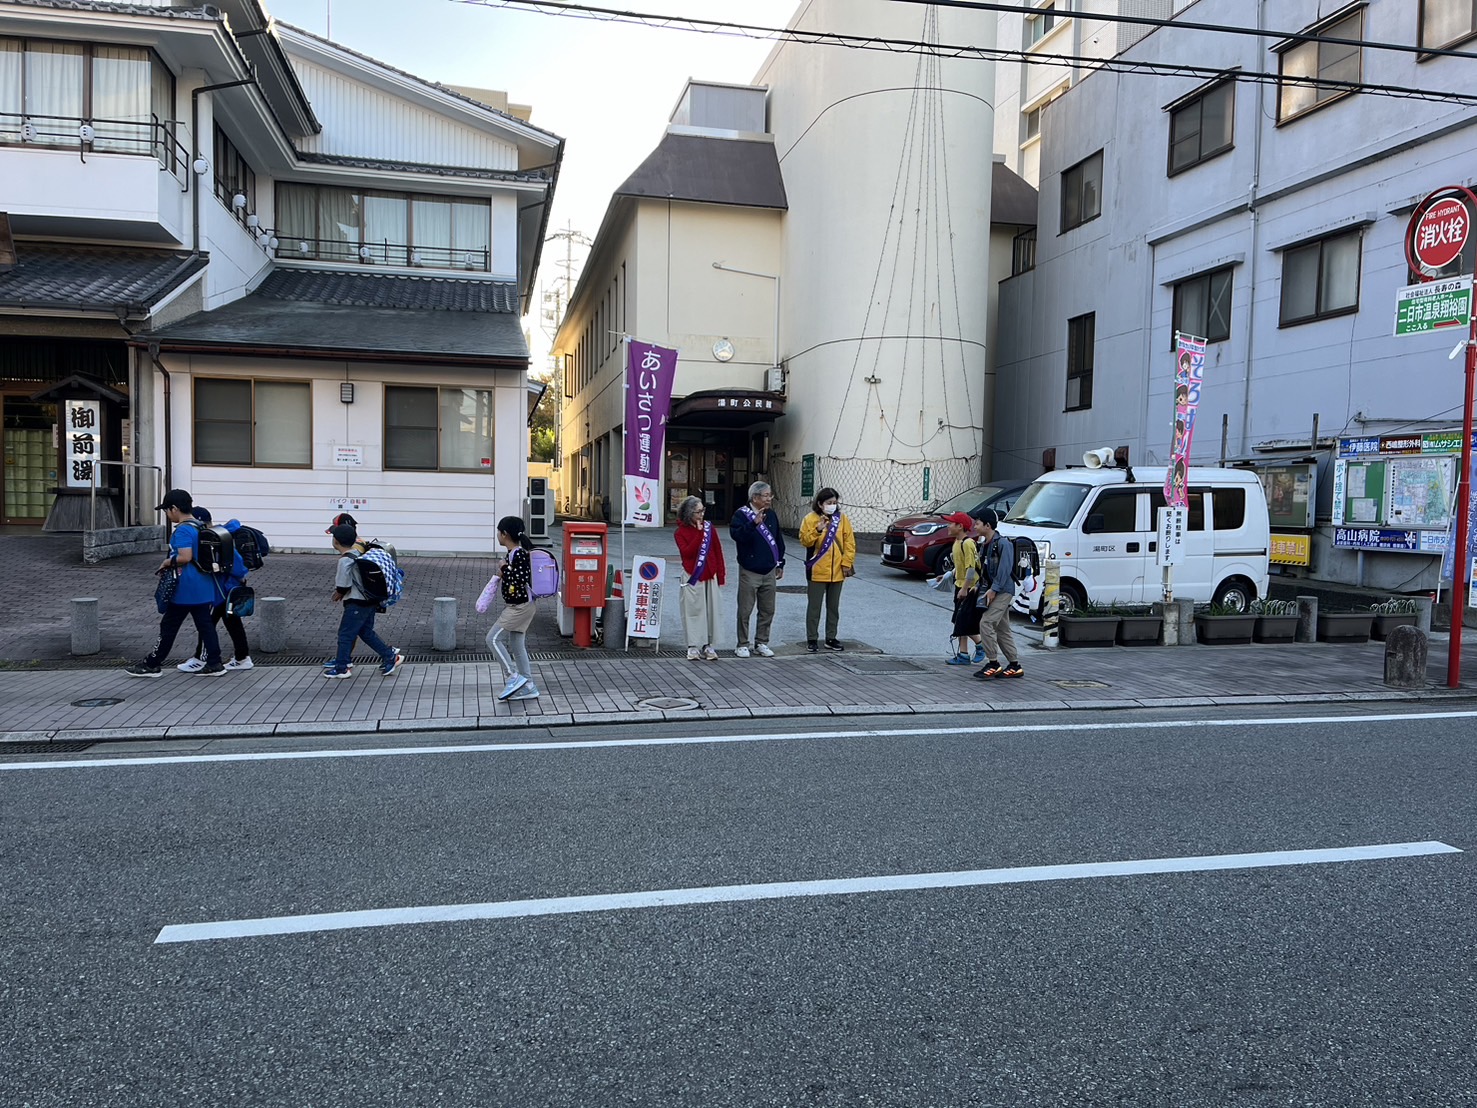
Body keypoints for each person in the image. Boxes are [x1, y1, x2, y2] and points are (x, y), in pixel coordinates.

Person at [125, 489, 226, 678]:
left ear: (174, 508)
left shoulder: (183, 530)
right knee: (206, 626)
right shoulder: (199, 526)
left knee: (169, 626)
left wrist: (166, 562)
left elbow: (185, 557)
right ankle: (215, 663)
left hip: (185, 587)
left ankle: (152, 664)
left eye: (166, 510)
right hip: (203, 585)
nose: (167, 514)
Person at [324, 522, 404, 679]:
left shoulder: (344, 560)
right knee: (365, 632)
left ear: (336, 541)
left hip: (356, 603)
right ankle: (390, 656)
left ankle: (342, 668)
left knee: (345, 634)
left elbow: (343, 585)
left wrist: (338, 594)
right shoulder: (359, 553)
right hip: (369, 600)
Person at [177, 506, 252, 672]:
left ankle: (201, 659)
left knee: (207, 623)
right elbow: (238, 566)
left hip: (219, 589)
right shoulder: (221, 535)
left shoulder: (213, 539)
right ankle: (242, 658)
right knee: (232, 622)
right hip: (229, 587)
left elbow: (235, 563)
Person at [729, 480, 786, 658]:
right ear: (755, 497)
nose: (769, 499)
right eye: (766, 495)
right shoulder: (741, 514)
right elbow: (737, 535)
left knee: (768, 609)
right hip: (749, 570)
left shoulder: (772, 515)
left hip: (769, 570)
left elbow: (778, 540)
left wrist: (780, 563)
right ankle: (742, 644)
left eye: (770, 495)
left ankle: (762, 642)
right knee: (745, 610)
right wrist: (753, 523)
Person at [486, 515, 540, 700]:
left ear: (504, 534)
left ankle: (512, 677)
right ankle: (529, 686)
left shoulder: (519, 553)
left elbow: (519, 578)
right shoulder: (513, 553)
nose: (497, 535)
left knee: (492, 639)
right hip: (521, 605)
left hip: (520, 607)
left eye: (498, 532)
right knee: (517, 644)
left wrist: (504, 568)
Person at [797, 486, 856, 652]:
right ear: (820, 504)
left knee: (833, 607)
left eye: (834, 502)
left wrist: (846, 563)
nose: (832, 505)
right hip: (817, 570)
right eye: (829, 502)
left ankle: (831, 637)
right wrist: (818, 529)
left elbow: (849, 542)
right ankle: (812, 639)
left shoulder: (842, 519)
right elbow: (805, 541)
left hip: (837, 571)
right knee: (814, 607)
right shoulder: (810, 519)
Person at [971, 508, 1024, 680]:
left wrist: (994, 589)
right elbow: (985, 570)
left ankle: (993, 663)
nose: (975, 526)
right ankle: (1015, 665)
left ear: (987, 525)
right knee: (1002, 629)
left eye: (977, 523)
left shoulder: (1003, 544)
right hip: (992, 589)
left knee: (986, 623)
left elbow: (1004, 569)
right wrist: (978, 586)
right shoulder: (984, 545)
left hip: (1003, 590)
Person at [674, 495, 725, 661]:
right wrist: (698, 533)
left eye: (703, 510)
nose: (701, 515)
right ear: (689, 513)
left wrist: (721, 575)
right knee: (693, 611)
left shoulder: (710, 528)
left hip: (710, 574)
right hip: (692, 575)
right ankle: (693, 646)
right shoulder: (680, 532)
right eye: (698, 512)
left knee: (711, 611)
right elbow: (687, 552)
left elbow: (717, 551)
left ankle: (708, 644)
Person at [939, 511, 984, 665]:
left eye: (951, 523)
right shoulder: (956, 543)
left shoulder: (968, 543)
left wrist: (965, 589)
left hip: (969, 589)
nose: (948, 526)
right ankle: (963, 654)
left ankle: (980, 645)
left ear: (960, 526)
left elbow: (971, 569)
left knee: (962, 621)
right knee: (959, 621)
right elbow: (959, 566)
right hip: (960, 586)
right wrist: (948, 575)